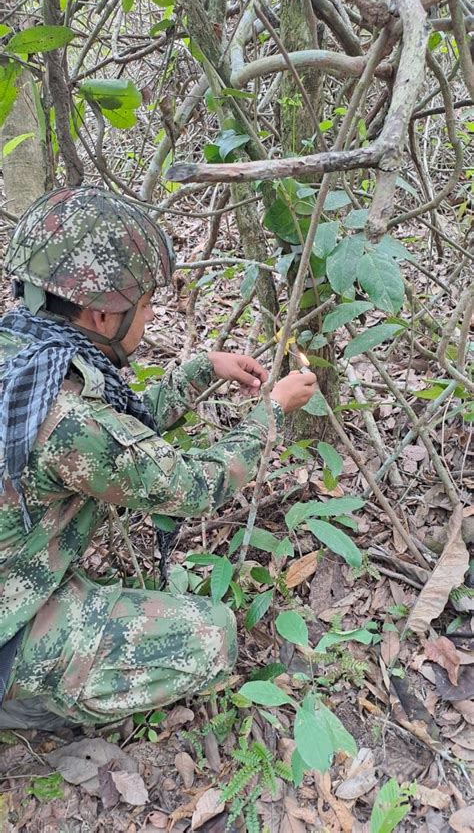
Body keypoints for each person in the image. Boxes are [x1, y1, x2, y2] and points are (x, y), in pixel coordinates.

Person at [0, 186, 316, 729]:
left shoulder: (26, 353)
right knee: (212, 635)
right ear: (102, 316)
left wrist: (201, 371)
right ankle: (19, 696)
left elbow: (122, 431)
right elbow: (196, 486)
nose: (148, 318)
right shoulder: (65, 416)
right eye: (145, 306)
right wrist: (273, 411)